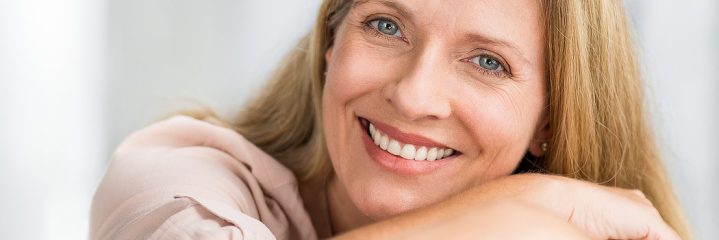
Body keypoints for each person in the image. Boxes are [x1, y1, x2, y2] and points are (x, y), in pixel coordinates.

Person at [91, 0, 692, 239]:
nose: (413, 96)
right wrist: (520, 209)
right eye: (385, 26)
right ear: (331, 43)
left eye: (488, 62)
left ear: (550, 122)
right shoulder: (176, 187)